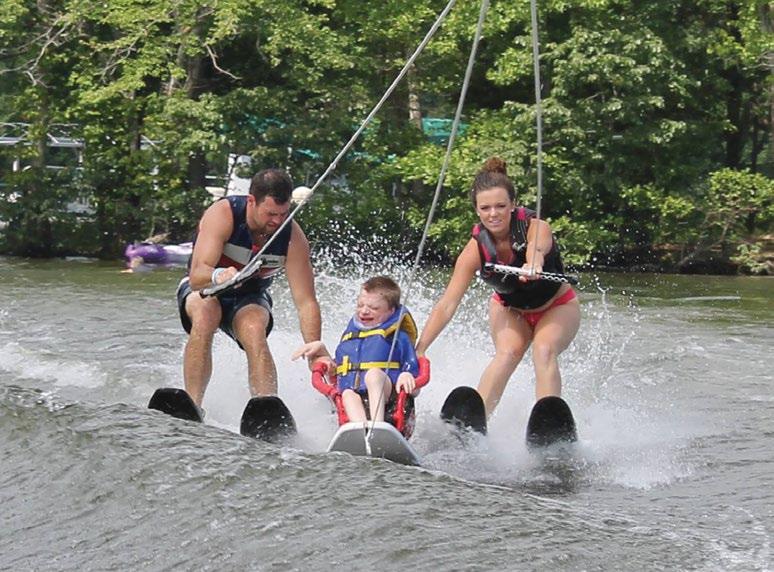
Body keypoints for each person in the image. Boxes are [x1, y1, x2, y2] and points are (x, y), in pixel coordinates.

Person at [415, 157, 580, 417]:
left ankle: (548, 423)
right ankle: (476, 422)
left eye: (501, 206)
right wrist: (421, 348)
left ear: (513, 205)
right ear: (477, 211)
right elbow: (447, 304)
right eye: (486, 208)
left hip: (557, 306)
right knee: (507, 353)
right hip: (510, 309)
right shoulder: (474, 250)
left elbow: (537, 249)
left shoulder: (536, 227)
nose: (493, 214)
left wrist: (533, 264)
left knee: (543, 350)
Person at [176, 167, 328, 408]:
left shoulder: (292, 237)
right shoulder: (223, 214)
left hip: (250, 295)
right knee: (206, 314)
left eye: (283, 213)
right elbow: (197, 276)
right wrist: (219, 275)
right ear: (251, 202)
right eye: (270, 213)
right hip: (206, 288)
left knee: (254, 328)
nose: (277, 221)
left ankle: (266, 407)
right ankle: (193, 404)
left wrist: (314, 346)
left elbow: (306, 301)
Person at [292, 276, 424, 425]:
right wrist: (321, 350)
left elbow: (413, 369)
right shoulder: (351, 337)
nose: (364, 311)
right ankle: (359, 429)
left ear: (391, 311)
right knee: (347, 393)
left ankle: (377, 425)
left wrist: (407, 374)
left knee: (373, 375)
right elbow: (337, 372)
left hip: (390, 395)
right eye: (360, 305)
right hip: (356, 394)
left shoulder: (398, 337)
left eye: (374, 308)